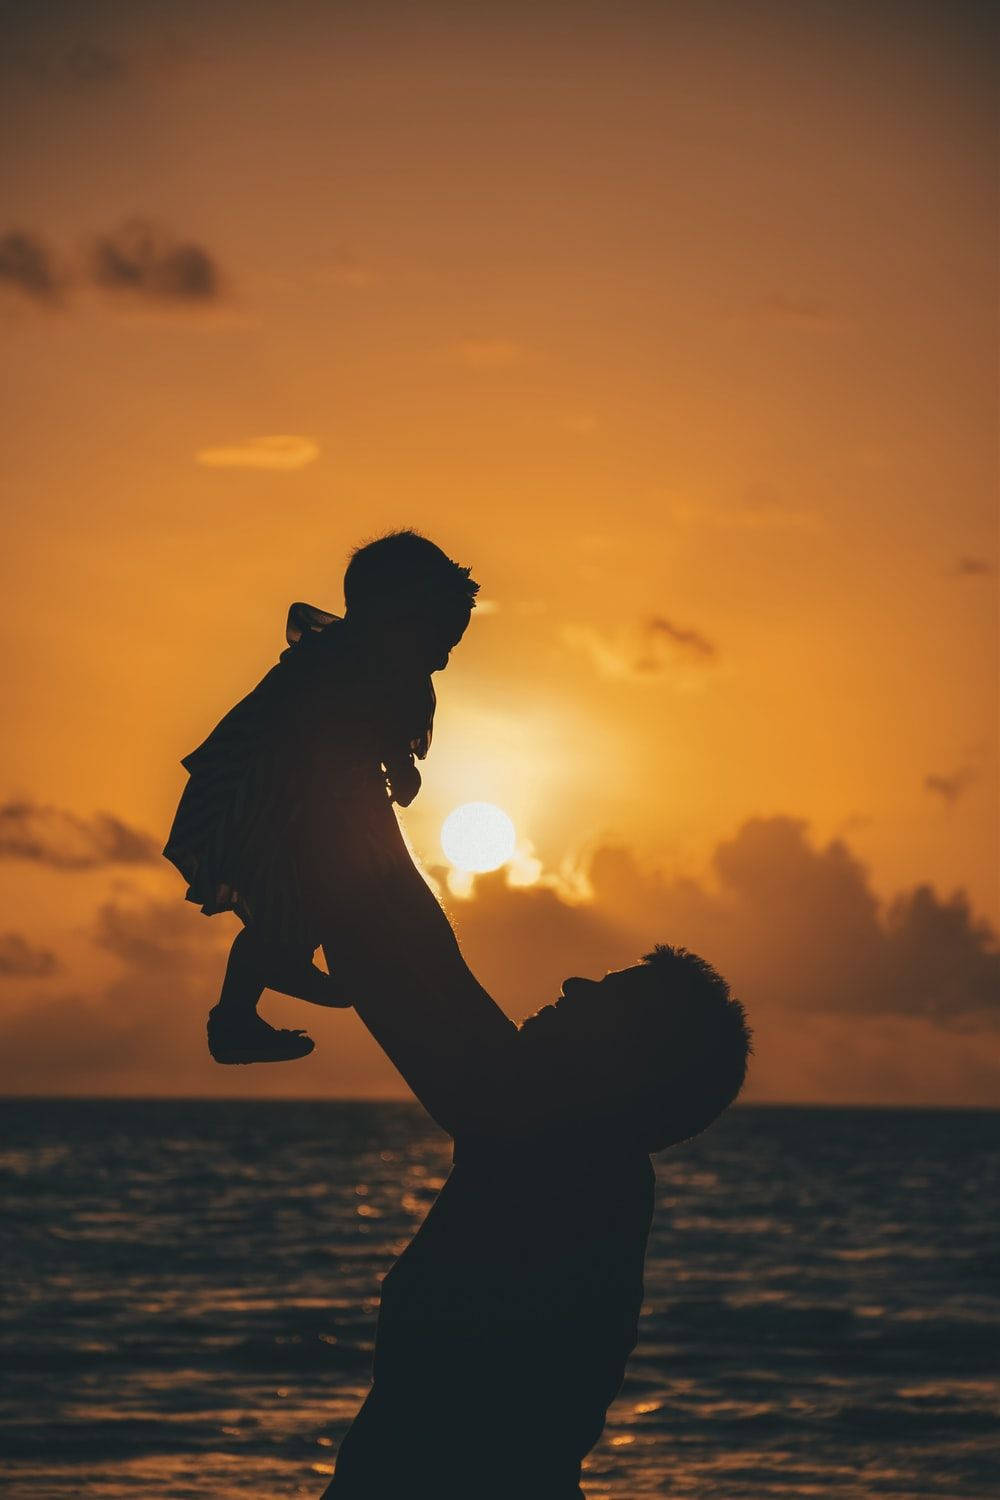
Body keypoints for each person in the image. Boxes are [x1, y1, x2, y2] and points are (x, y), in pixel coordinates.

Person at [318, 846, 752, 1499]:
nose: (574, 985)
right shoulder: (580, 1155)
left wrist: (340, 816)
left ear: (626, 1061)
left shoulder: (557, 1151)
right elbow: (429, 960)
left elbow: (398, 970)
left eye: (607, 998)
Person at [162, 530, 479, 1065]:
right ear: (395, 621)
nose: (442, 662)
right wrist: (395, 767)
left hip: (307, 799)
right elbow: (346, 724)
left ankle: (239, 1010)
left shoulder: (367, 665)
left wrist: (395, 766)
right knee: (302, 893)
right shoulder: (348, 664)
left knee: (293, 902)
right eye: (438, 644)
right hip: (285, 798)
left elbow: (375, 728)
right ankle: (250, 997)